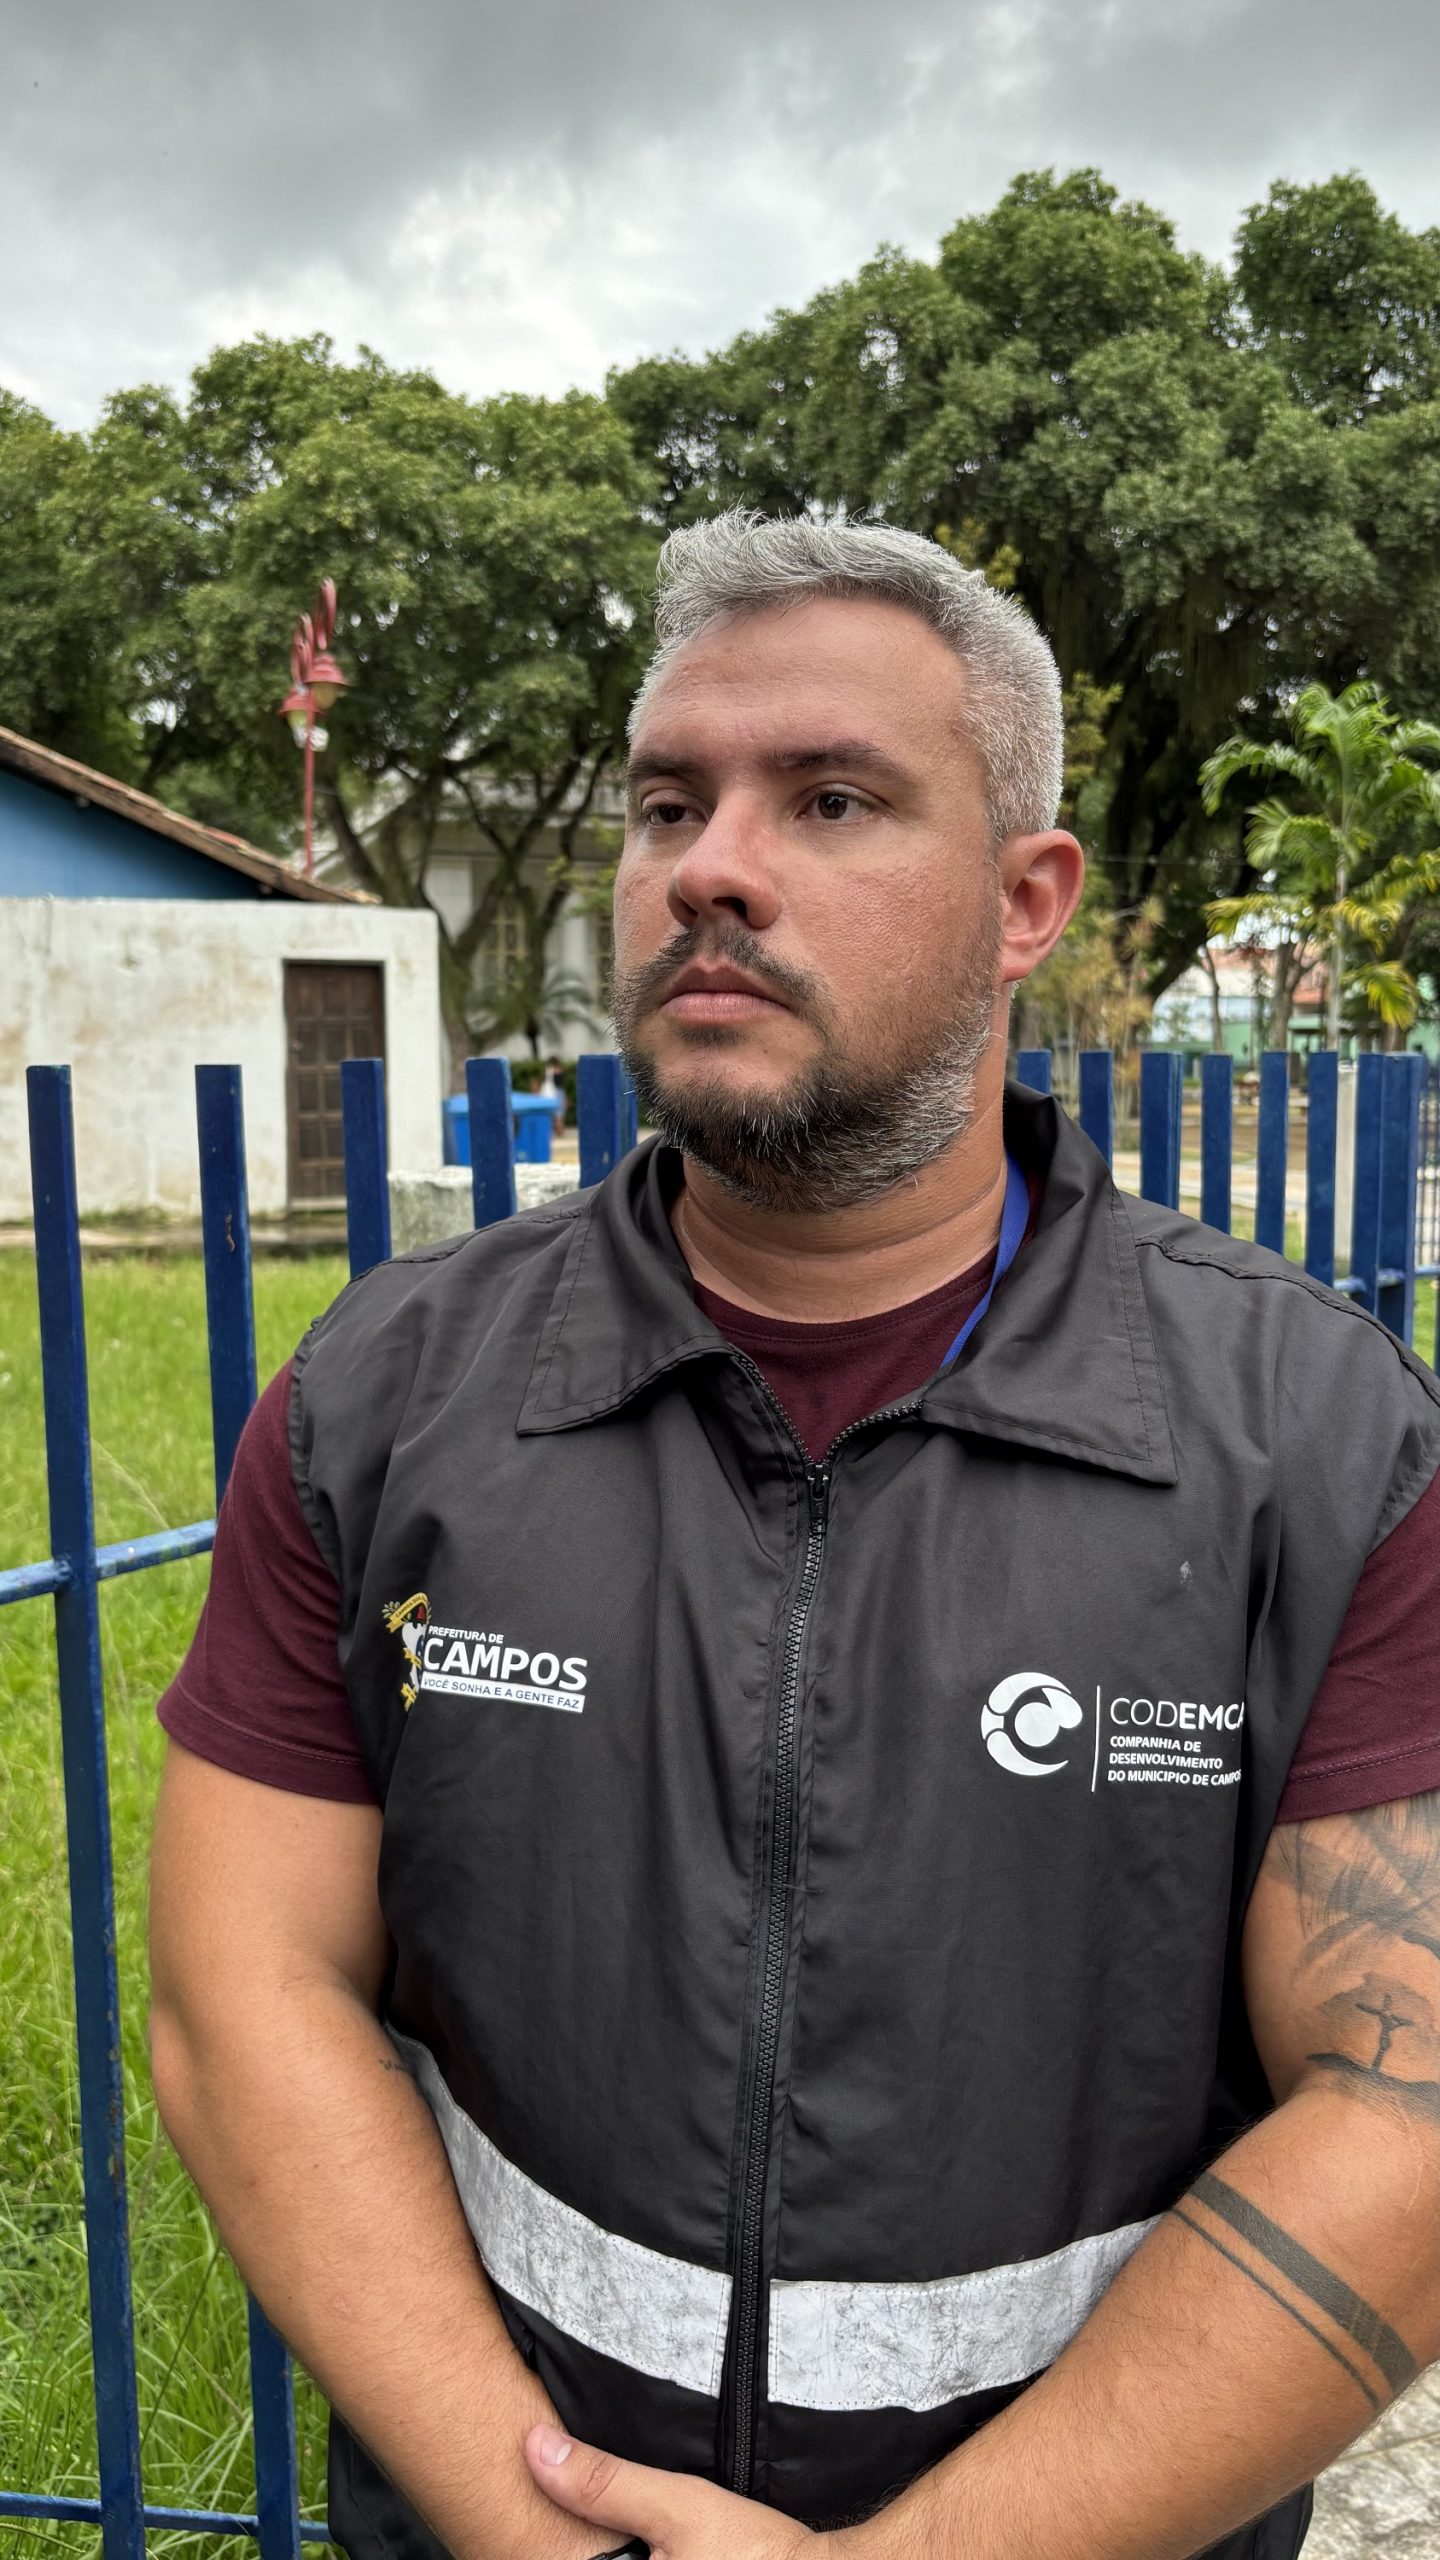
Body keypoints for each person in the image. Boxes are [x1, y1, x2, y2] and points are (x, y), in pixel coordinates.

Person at [148, 513, 1439, 2560]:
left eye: (831, 799)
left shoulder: (1318, 1445)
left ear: (1026, 900)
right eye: (670, 803)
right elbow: (243, 2001)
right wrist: (537, 2523)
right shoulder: (382, 1403)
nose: (710, 867)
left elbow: (1408, 2109)